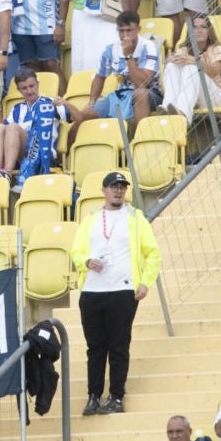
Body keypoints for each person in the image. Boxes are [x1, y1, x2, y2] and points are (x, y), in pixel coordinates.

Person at [72, 171, 160, 416]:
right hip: (92, 290)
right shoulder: (90, 218)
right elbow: (76, 251)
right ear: (104, 190)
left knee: (119, 345)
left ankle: (117, 395)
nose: (118, 191)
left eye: (122, 186)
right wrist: (86, 262)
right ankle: (93, 395)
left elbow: (152, 252)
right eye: (113, 186)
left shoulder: (135, 217)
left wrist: (145, 282)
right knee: (95, 347)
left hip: (122, 289)